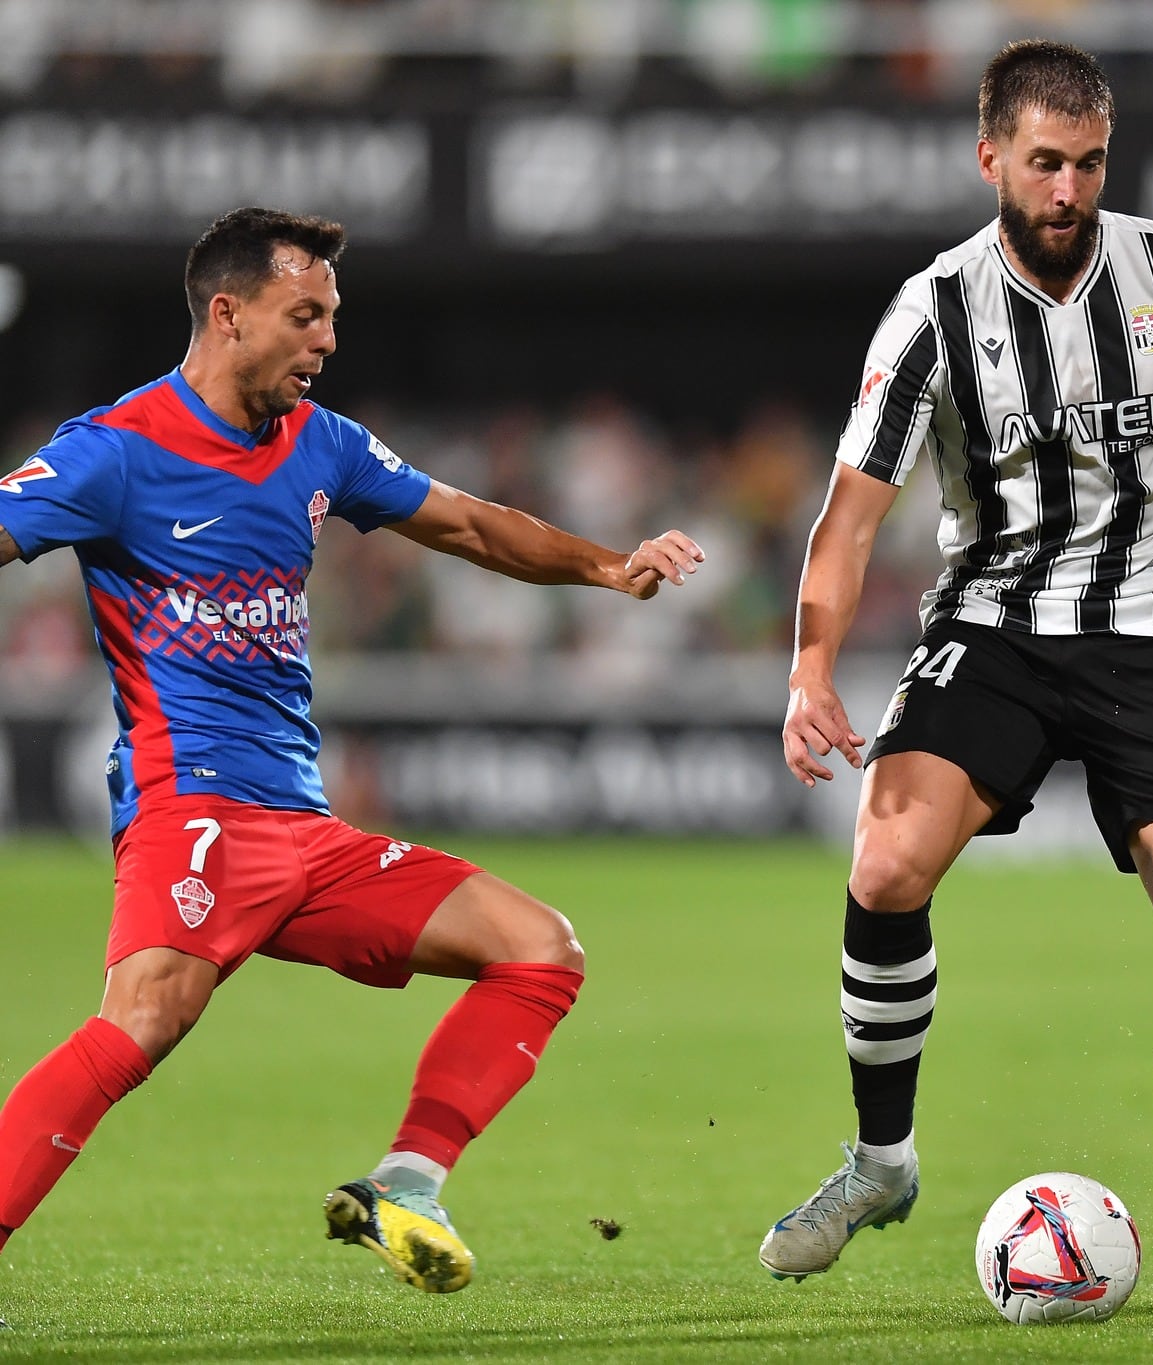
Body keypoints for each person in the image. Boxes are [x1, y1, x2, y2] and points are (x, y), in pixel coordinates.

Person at [0, 207, 703, 1297]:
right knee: (143, 1020)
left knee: (539, 948)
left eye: (333, 316)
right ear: (227, 316)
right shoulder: (116, 451)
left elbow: (466, 524)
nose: (327, 339)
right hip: (193, 814)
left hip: (303, 832)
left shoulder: (318, 442)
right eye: (306, 315)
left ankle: (406, 1184)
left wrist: (609, 570)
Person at [762, 40, 1153, 1317]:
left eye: (1088, 164)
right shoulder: (933, 308)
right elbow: (848, 518)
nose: (1066, 191)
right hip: (992, 627)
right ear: (989, 154)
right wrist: (809, 667)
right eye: (1043, 164)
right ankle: (880, 1162)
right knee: (882, 868)